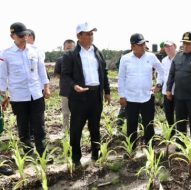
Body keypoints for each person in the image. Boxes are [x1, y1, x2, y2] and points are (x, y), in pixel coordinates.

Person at [61, 22, 111, 166]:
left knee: (95, 127)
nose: (90, 36)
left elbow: (104, 73)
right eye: (87, 33)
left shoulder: (97, 52)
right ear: (78, 36)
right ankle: (76, 159)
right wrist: (74, 86)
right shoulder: (71, 55)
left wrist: (107, 91)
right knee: (76, 128)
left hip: (96, 96)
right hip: (79, 97)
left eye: (92, 33)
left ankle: (96, 155)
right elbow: (65, 76)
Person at [0, 22, 50, 156]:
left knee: (39, 126)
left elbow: (41, 70)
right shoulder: (5, 54)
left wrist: (46, 87)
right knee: (23, 127)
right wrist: (3, 95)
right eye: (20, 35)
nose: (24, 38)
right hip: (18, 96)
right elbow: (2, 76)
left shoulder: (35, 51)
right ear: (12, 36)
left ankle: (42, 153)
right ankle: (28, 154)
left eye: (25, 35)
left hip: (36, 94)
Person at [118, 33, 164, 151]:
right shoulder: (125, 58)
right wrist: (122, 96)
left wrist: (158, 84)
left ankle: (150, 148)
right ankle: (131, 150)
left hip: (147, 97)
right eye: (140, 44)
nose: (144, 46)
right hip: (130, 98)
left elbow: (161, 71)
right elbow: (121, 78)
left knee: (148, 124)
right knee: (131, 125)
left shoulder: (151, 57)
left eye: (144, 43)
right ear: (133, 46)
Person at [54, 39, 75, 129]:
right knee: (66, 113)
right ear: (64, 49)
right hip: (65, 90)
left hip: (77, 90)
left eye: (71, 48)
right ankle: (66, 131)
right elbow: (57, 75)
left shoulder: (78, 60)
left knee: (77, 112)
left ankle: (75, 130)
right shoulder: (60, 60)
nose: (69, 50)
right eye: (67, 48)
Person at [161, 41, 177, 127]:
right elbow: (162, 75)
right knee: (168, 113)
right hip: (166, 91)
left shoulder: (180, 58)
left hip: (178, 91)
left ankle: (180, 135)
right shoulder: (164, 60)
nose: (168, 49)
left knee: (179, 114)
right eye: (166, 47)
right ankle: (171, 132)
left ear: (175, 47)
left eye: (170, 46)